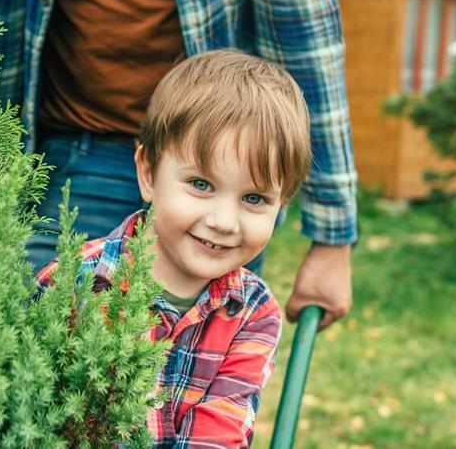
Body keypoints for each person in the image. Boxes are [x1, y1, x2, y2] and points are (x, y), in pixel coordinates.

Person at [0, 0, 356, 328]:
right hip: (78, 159)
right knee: (39, 355)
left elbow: (300, 20)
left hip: (227, 172)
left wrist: (331, 237)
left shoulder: (228, 222)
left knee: (198, 362)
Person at [36, 51, 306, 446]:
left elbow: (217, 435)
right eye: (201, 184)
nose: (224, 221)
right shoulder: (73, 284)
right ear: (148, 173)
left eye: (254, 198)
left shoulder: (252, 312)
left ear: (282, 204)